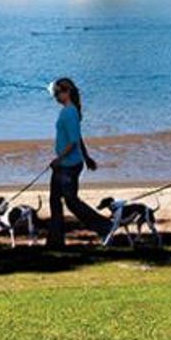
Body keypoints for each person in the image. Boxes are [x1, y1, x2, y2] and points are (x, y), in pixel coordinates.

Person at [46, 78, 110, 249]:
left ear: (67, 93)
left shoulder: (70, 112)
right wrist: (87, 157)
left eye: (58, 92)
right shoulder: (68, 111)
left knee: (71, 201)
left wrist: (58, 160)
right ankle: (55, 241)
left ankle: (104, 226)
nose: (55, 96)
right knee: (55, 200)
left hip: (68, 165)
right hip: (67, 163)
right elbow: (78, 138)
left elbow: (73, 141)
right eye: (55, 92)